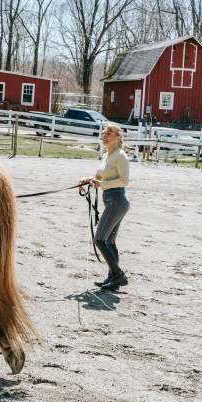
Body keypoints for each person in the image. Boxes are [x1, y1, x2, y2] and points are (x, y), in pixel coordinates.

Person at [79, 124, 130, 290]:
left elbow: (124, 181)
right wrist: (89, 179)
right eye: (104, 133)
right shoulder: (108, 155)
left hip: (117, 200)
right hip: (112, 201)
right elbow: (99, 176)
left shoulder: (120, 156)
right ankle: (112, 277)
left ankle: (118, 275)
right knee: (109, 240)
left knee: (99, 239)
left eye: (109, 133)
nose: (104, 136)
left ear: (118, 138)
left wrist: (101, 185)